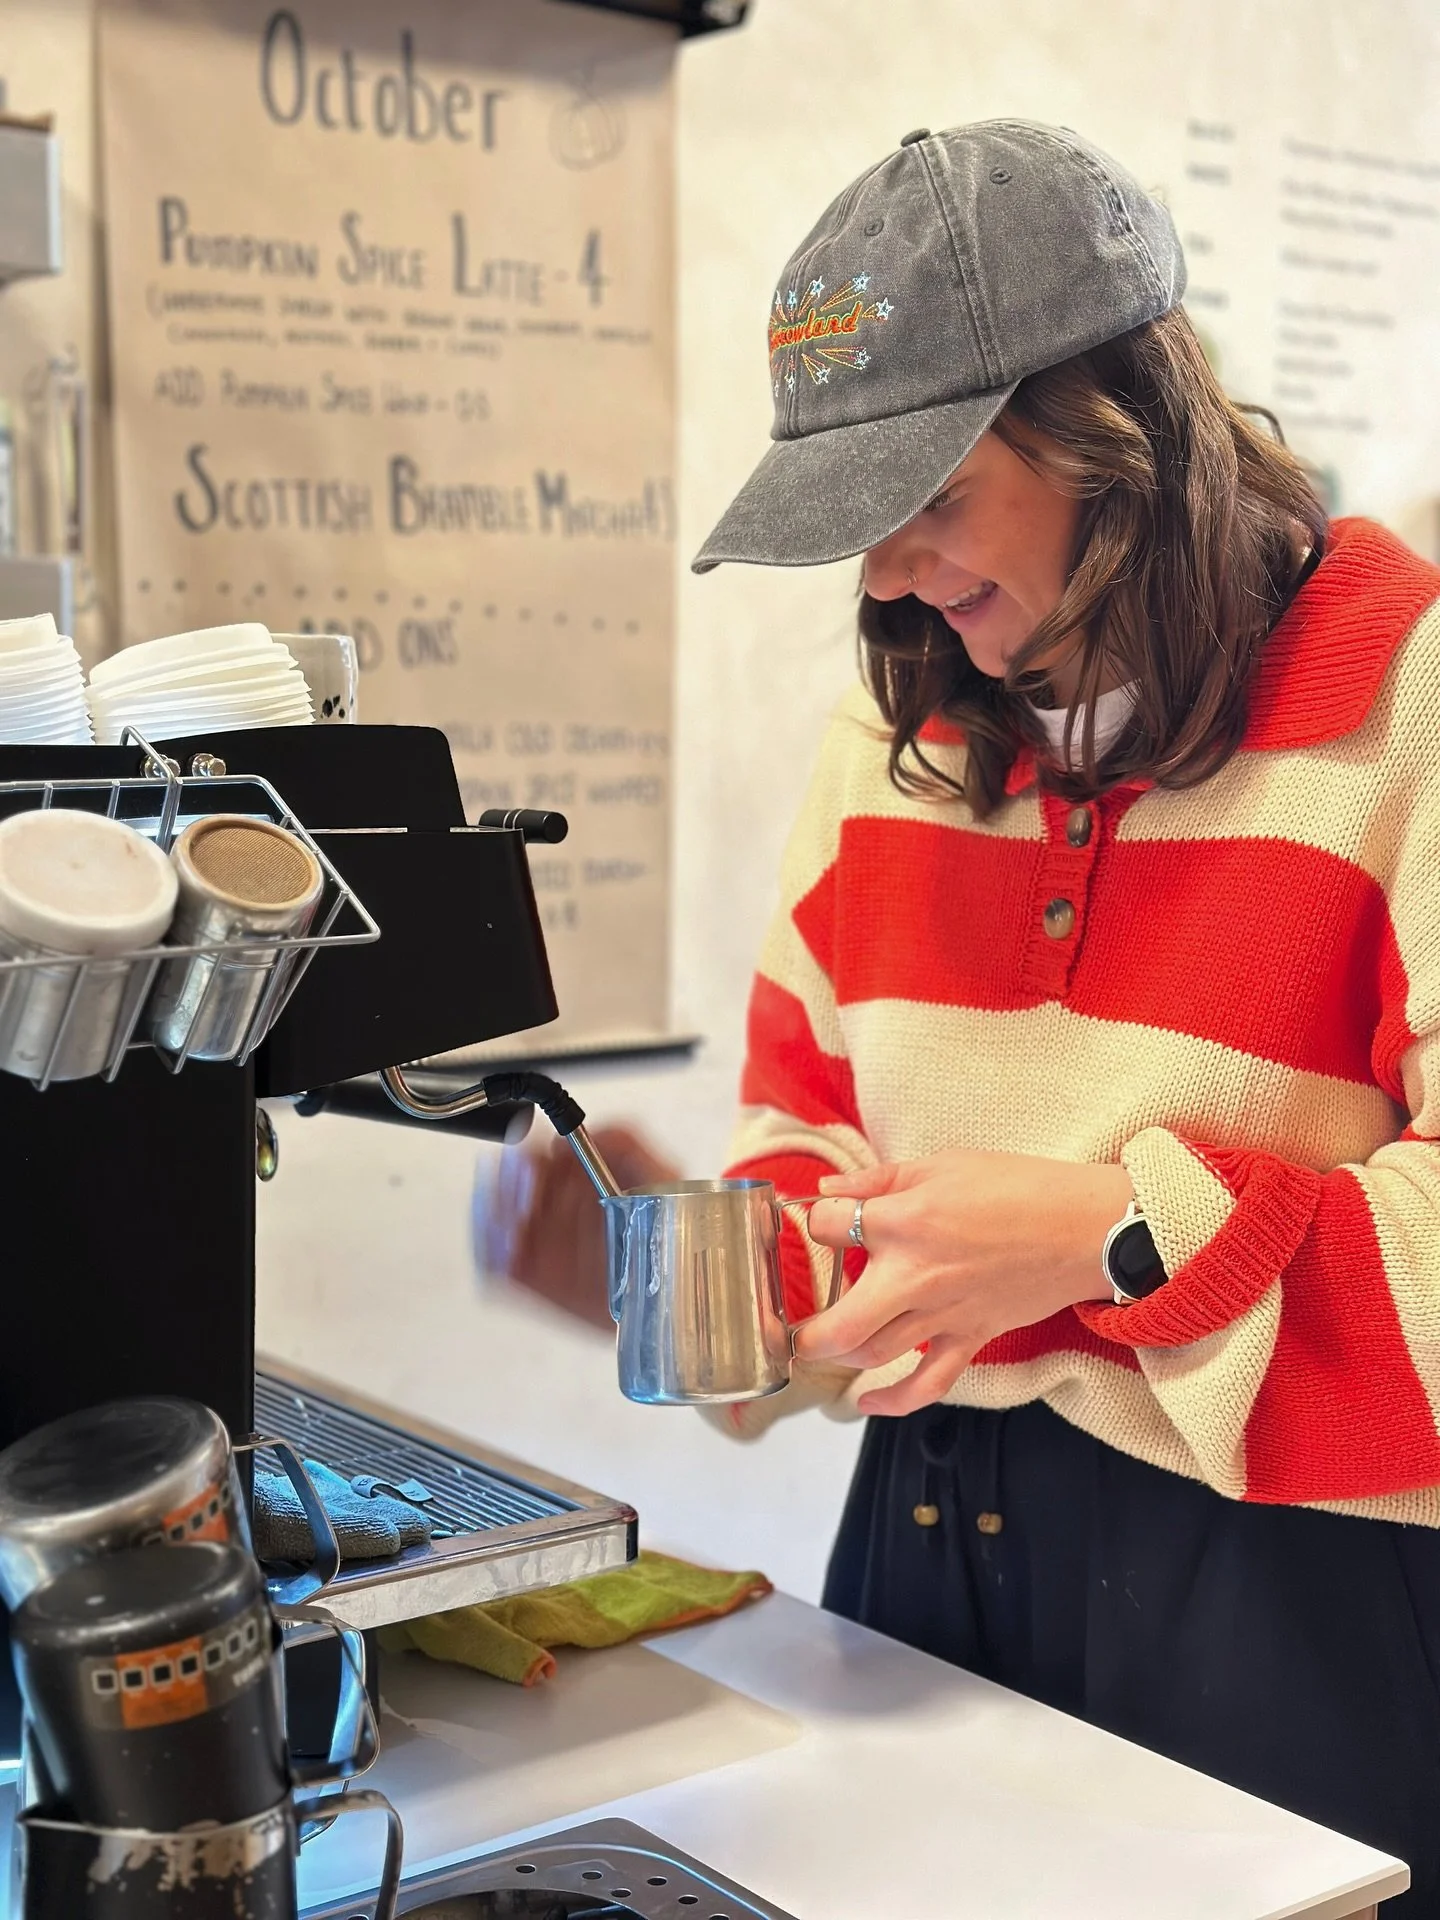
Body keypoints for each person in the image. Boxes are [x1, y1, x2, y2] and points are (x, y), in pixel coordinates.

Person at [485, 120, 1440, 1908]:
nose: (884, 577)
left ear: (1120, 435)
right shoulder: (896, 732)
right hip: (927, 1556)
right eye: (856, 521)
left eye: (928, 497)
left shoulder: (1414, 703)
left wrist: (1109, 1236)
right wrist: (693, 1274)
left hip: (1298, 1602)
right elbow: (816, 1147)